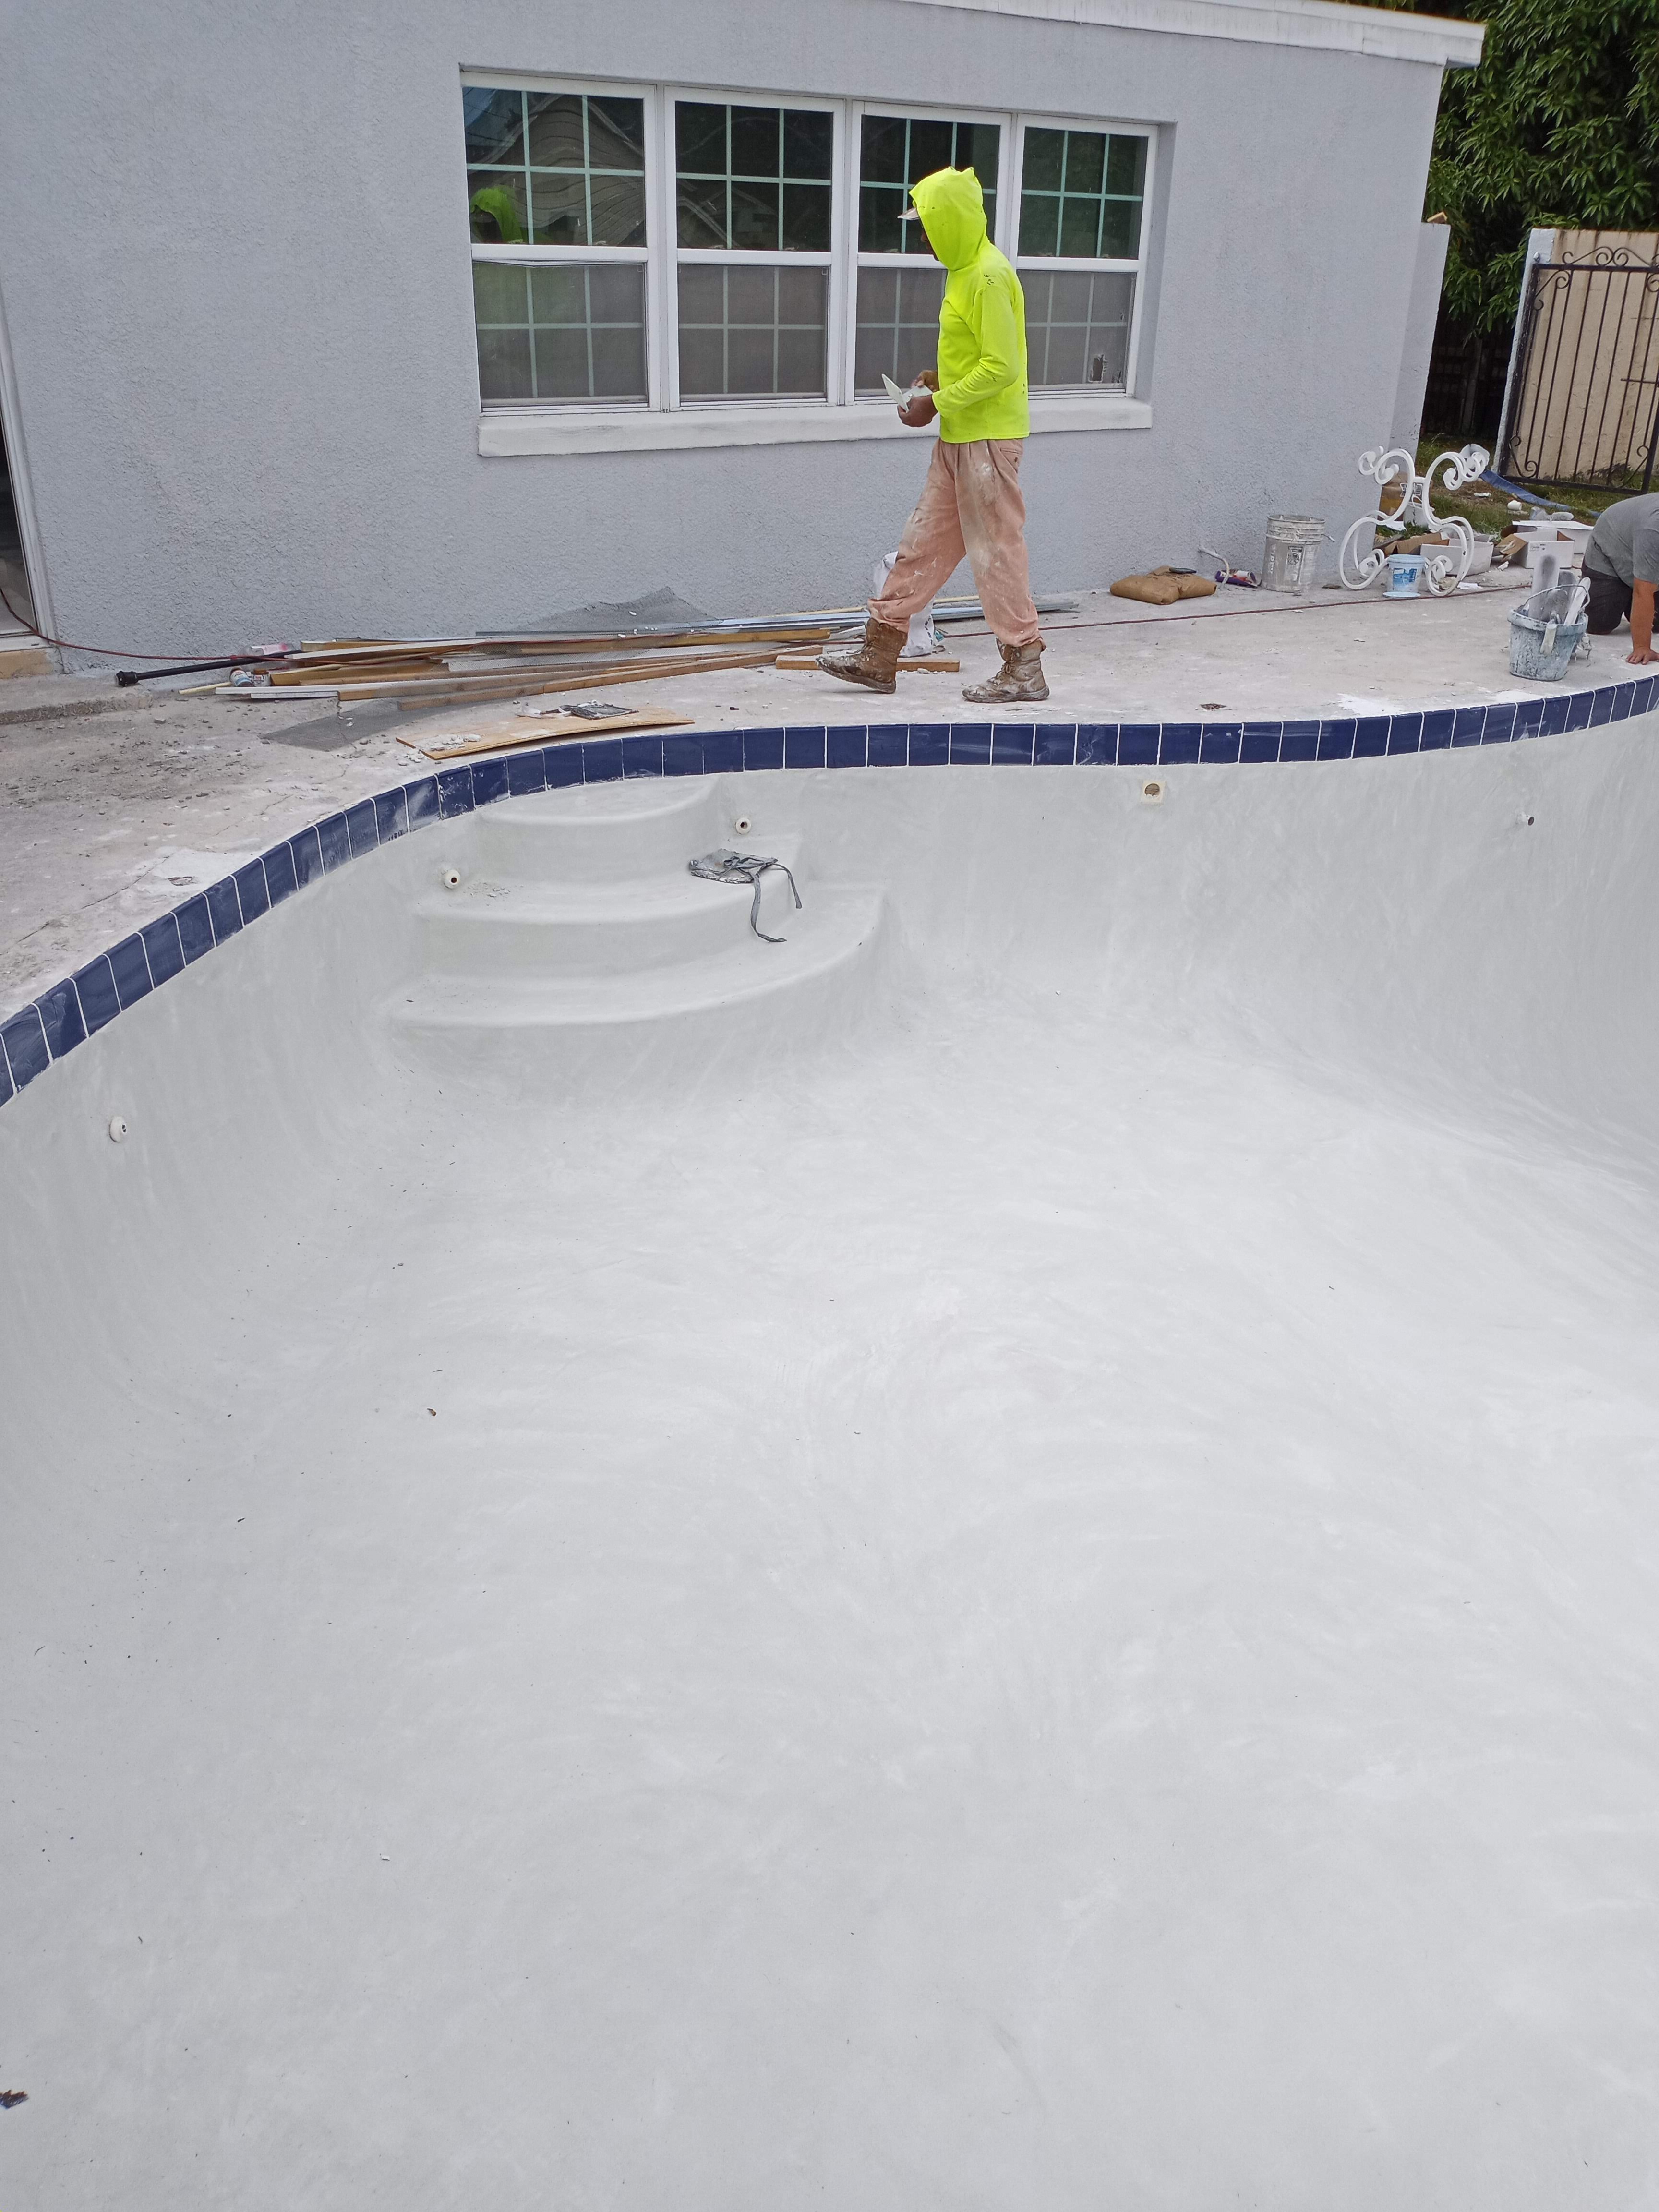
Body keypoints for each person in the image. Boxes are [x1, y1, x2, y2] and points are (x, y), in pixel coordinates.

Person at [817, 166, 1047, 704]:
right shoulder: (964, 271)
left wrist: (936, 402)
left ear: (951, 221)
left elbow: (1002, 369)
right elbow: (980, 361)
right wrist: (939, 383)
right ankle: (880, 654)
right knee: (919, 546)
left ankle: (1024, 666)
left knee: (997, 553)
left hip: (987, 441)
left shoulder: (988, 276)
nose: (922, 238)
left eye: (927, 225)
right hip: (961, 438)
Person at [1582, 490, 1659, 664]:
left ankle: (1630, 603)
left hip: (1646, 560)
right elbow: (1643, 592)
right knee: (1599, 624)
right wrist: (1642, 647)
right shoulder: (1653, 529)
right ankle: (1598, 593)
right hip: (1609, 556)